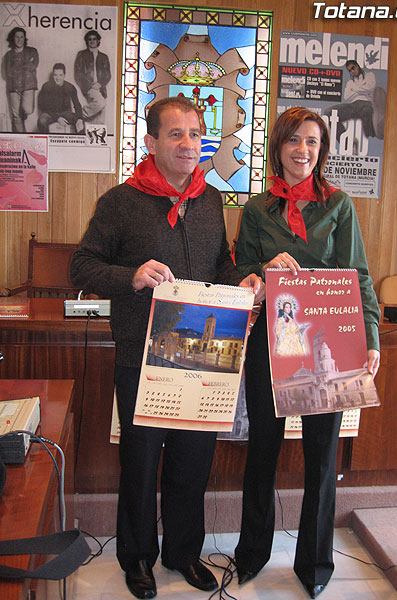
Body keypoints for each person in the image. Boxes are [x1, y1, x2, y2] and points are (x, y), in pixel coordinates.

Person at [70, 96, 263, 600]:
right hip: (141, 356)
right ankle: (136, 557)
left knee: (192, 462)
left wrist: (242, 282)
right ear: (152, 142)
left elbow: (221, 264)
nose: (188, 144)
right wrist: (130, 276)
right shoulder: (119, 201)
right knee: (140, 462)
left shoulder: (211, 201)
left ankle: (183, 552)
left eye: (196, 134)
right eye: (176, 134)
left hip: (202, 356)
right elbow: (82, 267)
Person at [233, 106, 380, 599]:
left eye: (313, 142)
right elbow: (240, 271)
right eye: (295, 140)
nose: (303, 150)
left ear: (322, 150)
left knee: (322, 455)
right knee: (263, 453)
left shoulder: (339, 205)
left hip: (328, 342)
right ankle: (252, 553)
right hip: (270, 341)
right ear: (279, 146)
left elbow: (357, 274)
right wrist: (262, 265)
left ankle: (315, 563)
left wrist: (372, 338)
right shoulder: (256, 208)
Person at [324, 59, 386, 146]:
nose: (352, 71)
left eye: (353, 68)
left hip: (366, 103)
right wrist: (362, 88)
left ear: (357, 66)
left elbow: (370, 88)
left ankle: (372, 136)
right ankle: (346, 142)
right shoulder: (350, 82)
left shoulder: (369, 75)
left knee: (368, 112)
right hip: (352, 105)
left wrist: (354, 89)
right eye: (350, 70)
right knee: (329, 112)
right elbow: (347, 96)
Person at [2, 27, 39, 132]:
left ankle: (22, 113)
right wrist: (24, 66)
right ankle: (23, 138)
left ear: (25, 38)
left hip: (28, 85)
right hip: (13, 87)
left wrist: (17, 67)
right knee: (16, 117)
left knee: (27, 109)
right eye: (17, 37)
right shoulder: (8, 55)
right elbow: (8, 73)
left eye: (22, 37)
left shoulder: (32, 51)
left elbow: (32, 66)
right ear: (13, 39)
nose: (19, 39)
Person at [74, 30, 111, 123]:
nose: (92, 41)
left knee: (100, 119)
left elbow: (107, 74)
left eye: (94, 39)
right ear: (87, 41)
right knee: (101, 103)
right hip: (89, 87)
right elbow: (78, 74)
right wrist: (89, 86)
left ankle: (96, 136)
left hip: (101, 88)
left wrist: (100, 84)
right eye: (89, 39)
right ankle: (80, 114)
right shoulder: (81, 55)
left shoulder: (104, 57)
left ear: (98, 41)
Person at [37, 63, 84, 133]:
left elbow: (77, 104)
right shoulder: (46, 87)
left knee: (81, 123)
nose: (58, 78)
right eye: (55, 75)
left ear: (64, 75)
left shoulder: (70, 87)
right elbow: (43, 106)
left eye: (60, 75)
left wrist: (79, 118)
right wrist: (57, 118)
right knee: (41, 121)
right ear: (53, 75)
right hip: (50, 114)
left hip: (65, 113)